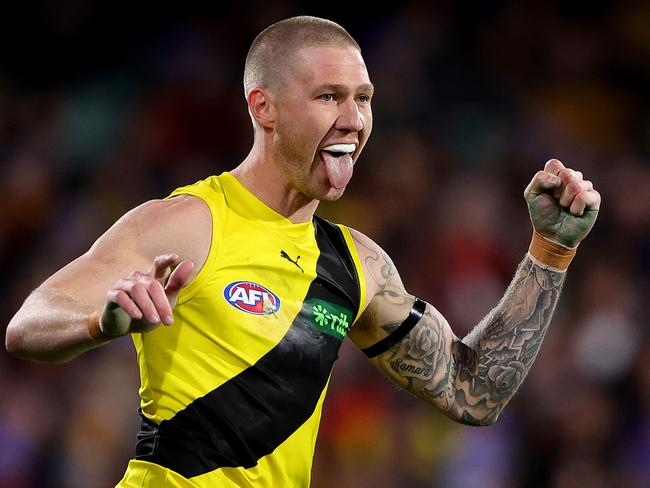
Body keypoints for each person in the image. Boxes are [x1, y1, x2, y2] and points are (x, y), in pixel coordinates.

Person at [5, 15, 600, 488]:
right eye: (329, 97)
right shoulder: (189, 222)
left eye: (364, 98)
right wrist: (98, 321)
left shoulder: (356, 265)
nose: (354, 120)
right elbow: (27, 324)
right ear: (263, 107)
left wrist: (549, 251)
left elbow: (475, 393)